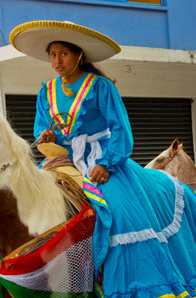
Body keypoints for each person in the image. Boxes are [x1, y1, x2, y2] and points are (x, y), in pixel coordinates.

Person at [10, 20, 196, 297]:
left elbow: (120, 127)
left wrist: (106, 164)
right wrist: (47, 136)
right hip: (66, 157)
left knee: (120, 210)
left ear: (78, 55)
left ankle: (134, 280)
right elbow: (40, 128)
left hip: (103, 157)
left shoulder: (100, 86)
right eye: (53, 55)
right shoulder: (45, 92)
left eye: (63, 54)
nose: (57, 60)